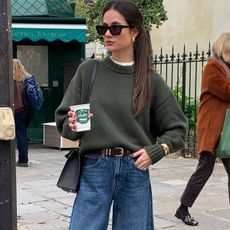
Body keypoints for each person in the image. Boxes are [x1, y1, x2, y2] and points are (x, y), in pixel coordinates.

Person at [55, 1, 187, 229]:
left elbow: (177, 128)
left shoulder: (149, 80)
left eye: (115, 28)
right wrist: (73, 125)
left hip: (134, 168)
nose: (107, 34)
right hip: (94, 166)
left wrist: (157, 150)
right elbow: (64, 121)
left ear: (134, 31)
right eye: (103, 28)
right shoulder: (88, 71)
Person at [175, 32, 230, 226]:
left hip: (225, 130)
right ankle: (183, 208)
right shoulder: (213, 67)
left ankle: (183, 208)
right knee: (204, 169)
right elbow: (226, 91)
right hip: (212, 127)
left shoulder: (226, 68)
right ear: (225, 48)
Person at [13, 59, 34, 167]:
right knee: (22, 134)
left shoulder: (10, 79)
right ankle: (23, 159)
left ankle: (23, 160)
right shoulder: (27, 78)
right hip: (26, 110)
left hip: (14, 110)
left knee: (17, 134)